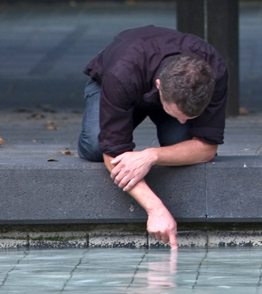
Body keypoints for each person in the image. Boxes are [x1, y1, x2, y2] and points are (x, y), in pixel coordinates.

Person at [77, 25, 228, 249]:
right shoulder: (121, 72)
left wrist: (150, 156)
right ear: (159, 87)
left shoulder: (214, 71)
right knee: (96, 147)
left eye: (191, 116)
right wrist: (155, 209)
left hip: (161, 91)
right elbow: (113, 153)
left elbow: (207, 148)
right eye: (180, 115)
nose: (186, 122)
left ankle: (171, 119)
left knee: (181, 141)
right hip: (113, 85)